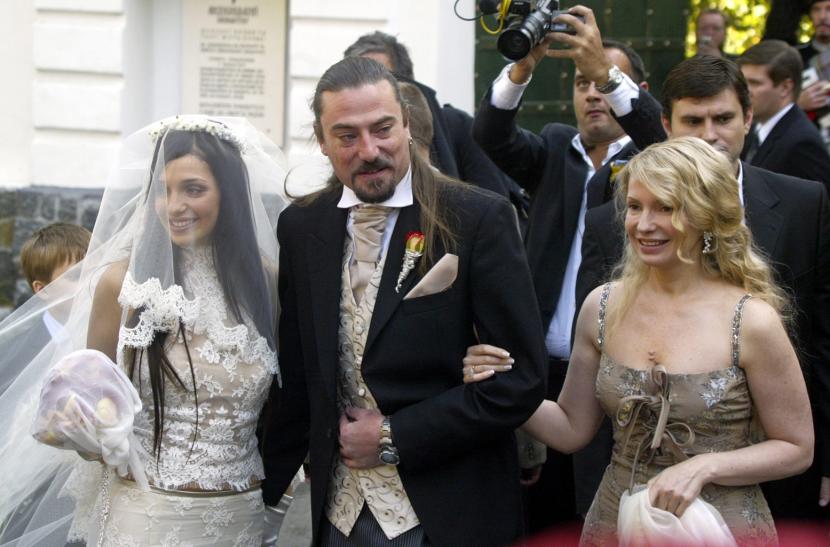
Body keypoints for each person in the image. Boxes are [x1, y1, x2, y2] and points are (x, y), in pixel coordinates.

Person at [466, 136, 814, 545]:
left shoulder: (751, 320)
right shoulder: (602, 307)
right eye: (635, 206)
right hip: (616, 523)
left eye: (665, 207)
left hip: (720, 528)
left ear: (705, 214)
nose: (643, 225)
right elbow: (571, 428)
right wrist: (498, 383)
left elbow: (796, 447)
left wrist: (704, 468)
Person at [261, 56, 546, 546]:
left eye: (382, 129)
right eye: (347, 136)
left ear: (407, 125)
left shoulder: (478, 219)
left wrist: (395, 435)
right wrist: (251, 490)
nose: (369, 150)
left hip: (449, 513)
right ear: (322, 141)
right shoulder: (302, 227)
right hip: (338, 512)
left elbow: (522, 381)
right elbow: (300, 373)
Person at [0, 116, 288, 546]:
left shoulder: (265, 282)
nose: (174, 206)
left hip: (239, 517)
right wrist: (86, 432)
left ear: (229, 194)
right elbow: (90, 400)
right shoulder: (122, 284)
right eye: (162, 190)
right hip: (146, 516)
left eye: (193, 189)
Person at [574, 53, 830, 520]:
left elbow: (823, 347)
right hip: (623, 505)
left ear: (748, 118)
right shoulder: (606, 283)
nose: (645, 225)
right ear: (667, 124)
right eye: (693, 121)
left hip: (745, 502)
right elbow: (581, 409)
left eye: (723, 118)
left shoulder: (801, 209)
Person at [472, 6, 656, 526]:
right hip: (543, 373)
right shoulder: (555, 148)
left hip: (621, 378)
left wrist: (606, 72)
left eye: (602, 81)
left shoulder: (653, 162)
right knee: (542, 516)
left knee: (605, 514)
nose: (592, 94)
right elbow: (490, 136)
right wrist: (521, 70)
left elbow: (663, 138)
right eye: (581, 83)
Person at [343, 31, 530, 223]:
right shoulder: (347, 139)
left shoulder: (457, 126)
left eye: (376, 81)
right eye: (355, 82)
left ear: (404, 82)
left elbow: (494, 206)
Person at [738, 40, 830, 192]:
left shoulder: (802, 143)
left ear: (785, 87)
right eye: (743, 82)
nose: (744, 91)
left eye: (754, 83)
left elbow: (817, 202)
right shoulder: (753, 128)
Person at [797, 0, 830, 124]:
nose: (822, 16)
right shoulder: (795, 56)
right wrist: (797, 104)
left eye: (829, 9)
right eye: (816, 9)